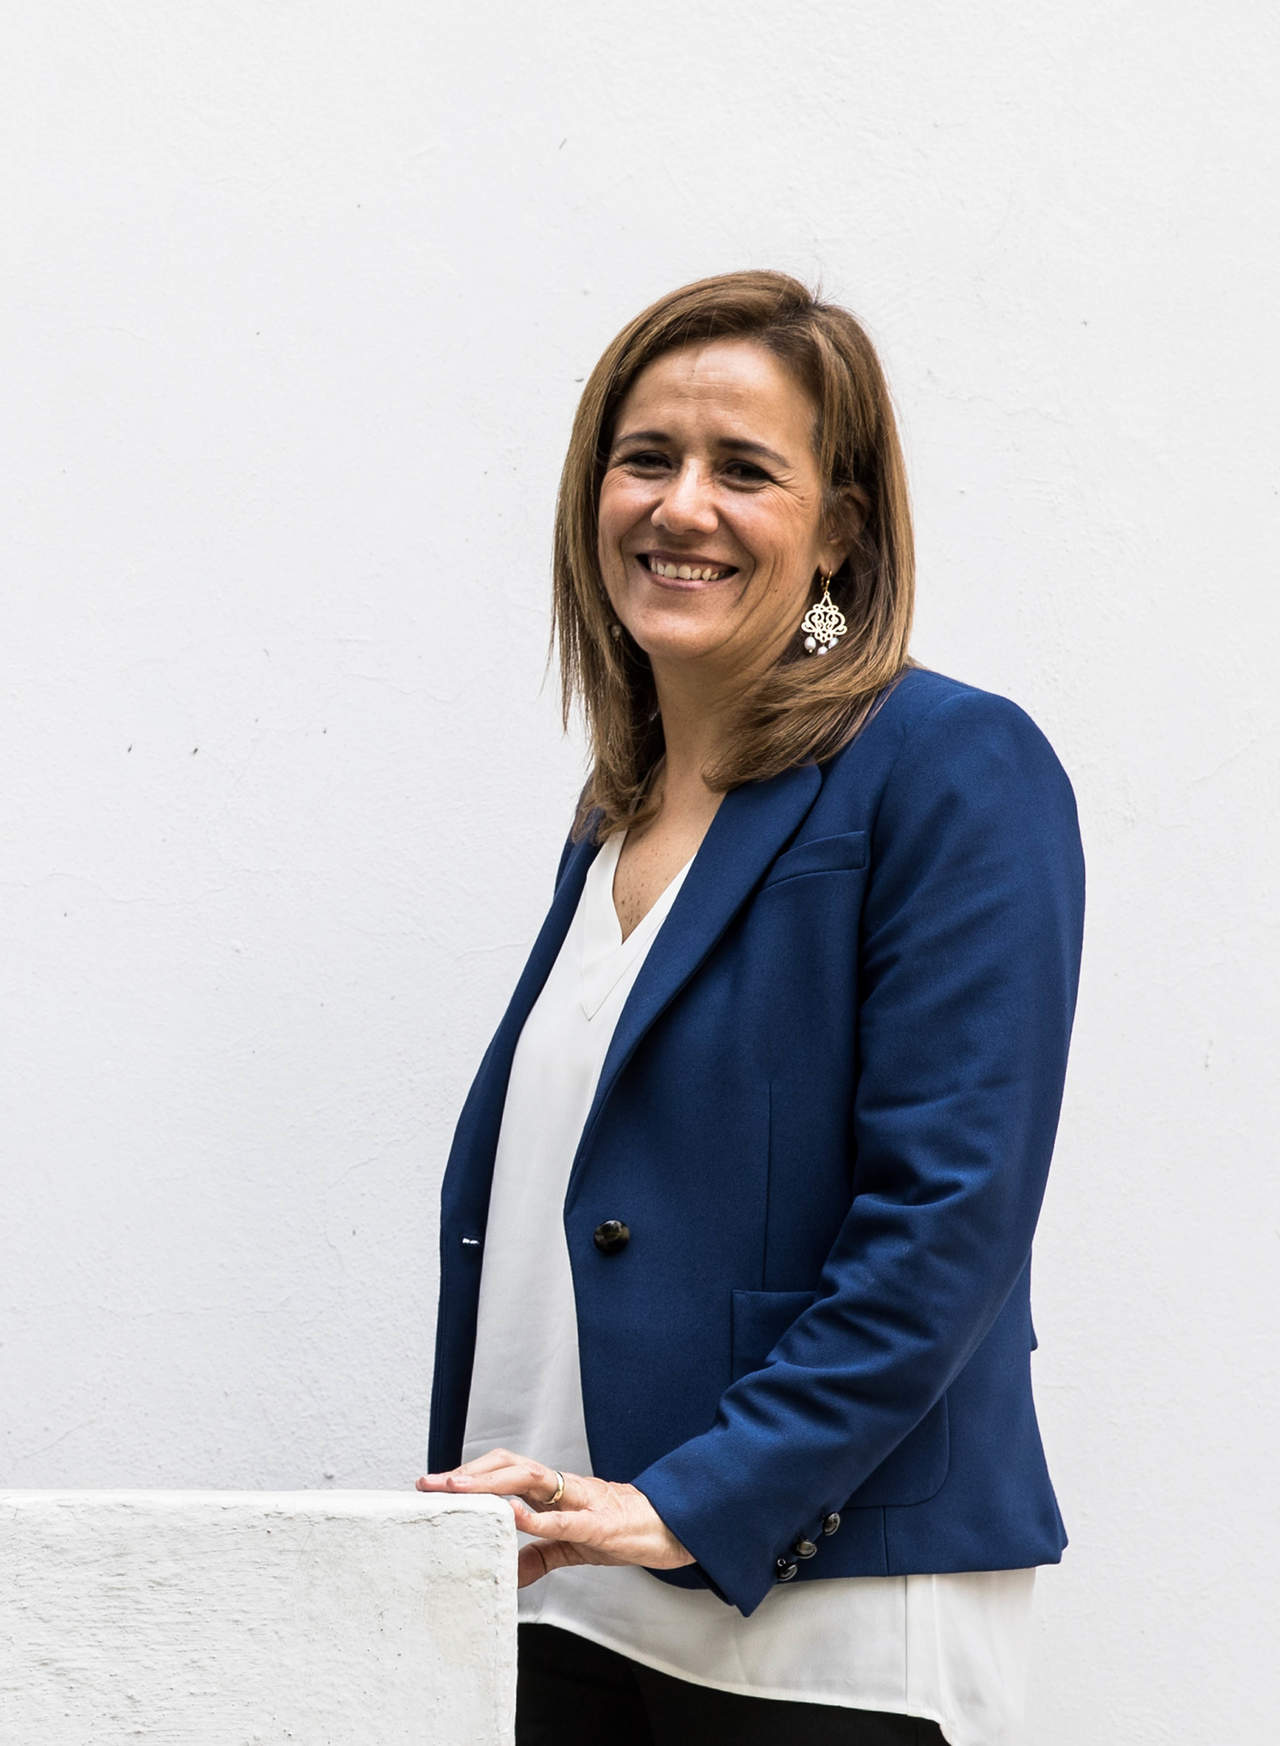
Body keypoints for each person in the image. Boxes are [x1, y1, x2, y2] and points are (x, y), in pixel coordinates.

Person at [416, 269, 1086, 1746]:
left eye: (744, 469)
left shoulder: (949, 766)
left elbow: (949, 1216)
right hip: (561, 1590)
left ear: (838, 526)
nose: (682, 506)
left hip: (817, 1629)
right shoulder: (616, 813)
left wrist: (691, 1502)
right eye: (646, 457)